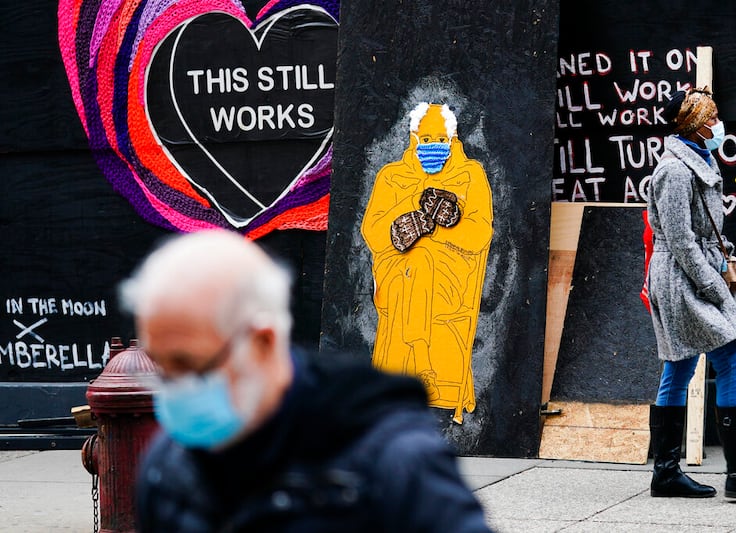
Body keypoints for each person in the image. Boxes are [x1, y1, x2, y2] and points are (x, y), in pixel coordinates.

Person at [120, 229, 492, 532]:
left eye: (191, 365)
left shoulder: (392, 462)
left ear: (263, 342)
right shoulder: (166, 469)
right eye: (160, 368)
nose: (176, 388)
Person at [646, 87, 736, 499]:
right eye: (712, 117)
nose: (717, 124)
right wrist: (712, 284)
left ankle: (666, 473)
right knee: (732, 358)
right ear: (694, 125)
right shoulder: (674, 170)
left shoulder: (700, 160)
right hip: (681, 277)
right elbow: (680, 239)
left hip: (696, 269)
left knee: (681, 367)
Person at [361, 103, 493, 409]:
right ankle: (422, 364)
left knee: (421, 260)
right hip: (395, 274)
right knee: (415, 262)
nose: (433, 146)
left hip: (450, 278)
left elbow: (480, 233)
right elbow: (372, 230)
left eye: (441, 139)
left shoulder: (469, 176)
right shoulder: (391, 177)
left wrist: (437, 229)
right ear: (413, 138)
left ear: (453, 139)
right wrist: (401, 224)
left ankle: (415, 366)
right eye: (426, 139)